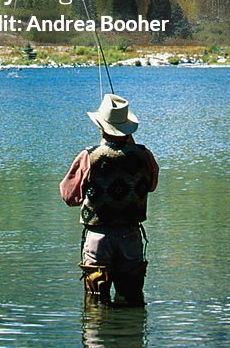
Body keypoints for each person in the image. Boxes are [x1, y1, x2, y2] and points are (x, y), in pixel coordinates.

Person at [60, 93, 159, 306]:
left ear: (101, 126)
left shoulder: (89, 156)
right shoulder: (145, 155)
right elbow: (151, 186)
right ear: (127, 128)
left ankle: (100, 336)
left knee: (95, 302)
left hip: (98, 238)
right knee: (132, 299)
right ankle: (130, 335)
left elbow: (69, 197)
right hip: (131, 237)